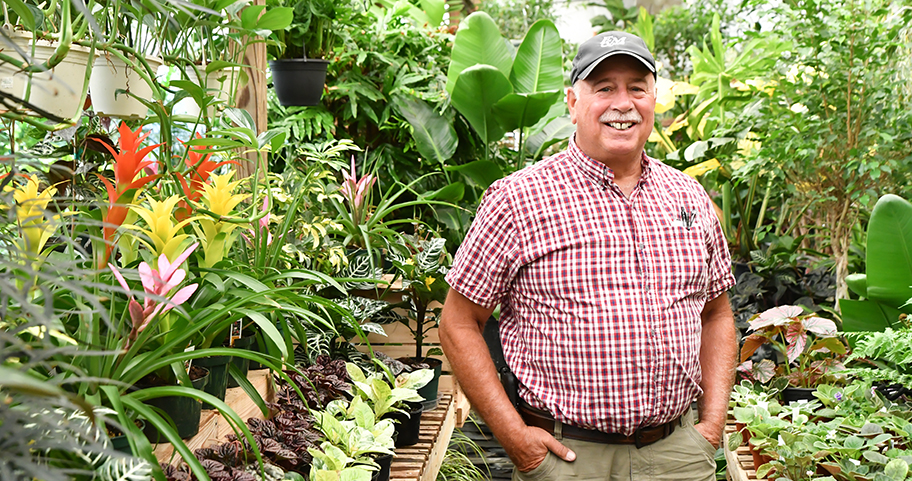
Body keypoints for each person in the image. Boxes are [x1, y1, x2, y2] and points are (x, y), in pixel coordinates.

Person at [439, 31, 737, 481]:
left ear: (654, 99)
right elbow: (458, 323)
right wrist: (518, 442)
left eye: (637, 87)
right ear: (572, 102)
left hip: (678, 455)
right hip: (567, 460)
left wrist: (711, 426)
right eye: (604, 88)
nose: (623, 103)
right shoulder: (520, 199)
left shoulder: (689, 197)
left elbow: (717, 313)